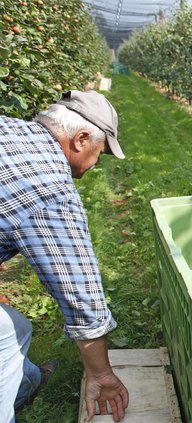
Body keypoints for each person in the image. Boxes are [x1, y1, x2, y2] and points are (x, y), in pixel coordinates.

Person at [0, 90, 129, 422]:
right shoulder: (47, 186)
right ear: (80, 139)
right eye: (99, 154)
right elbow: (78, 288)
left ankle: (25, 385)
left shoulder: (10, 129)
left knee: (16, 326)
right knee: (5, 335)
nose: (96, 164)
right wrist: (100, 374)